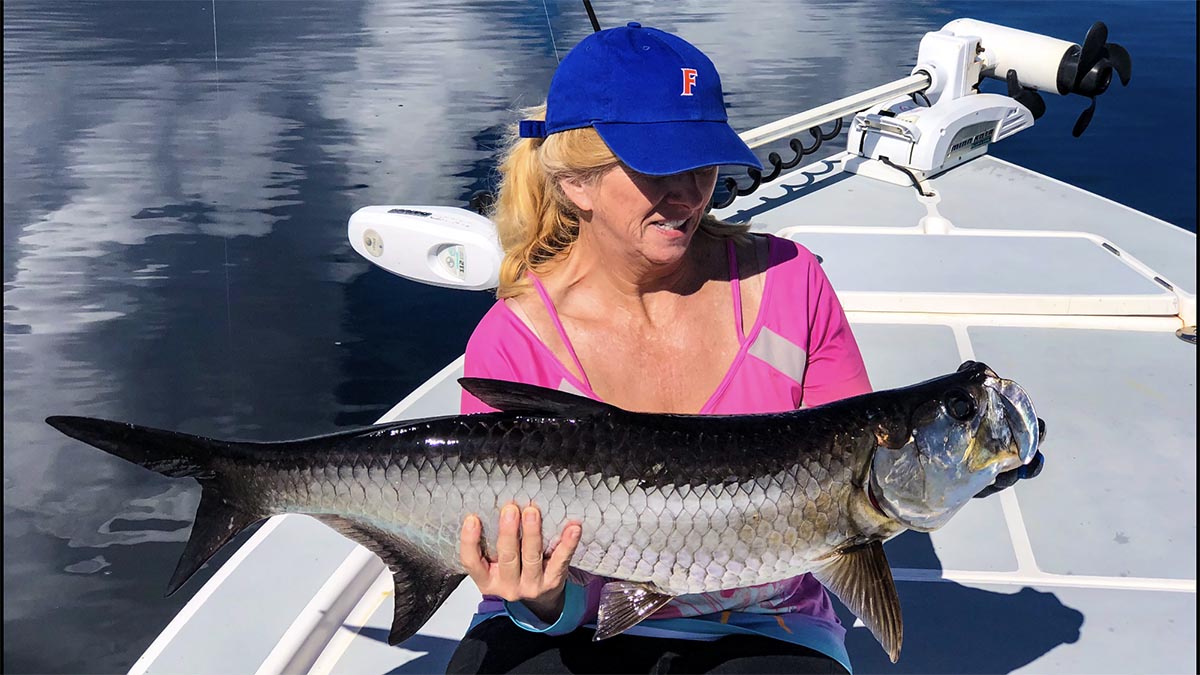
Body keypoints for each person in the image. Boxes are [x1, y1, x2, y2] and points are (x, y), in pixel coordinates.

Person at [445, 22, 1039, 674]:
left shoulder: (789, 284)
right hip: (568, 624)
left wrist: (964, 464)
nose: (690, 190)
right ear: (575, 181)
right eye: (655, 164)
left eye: (702, 159)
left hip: (768, 620)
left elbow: (861, 472)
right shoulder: (512, 340)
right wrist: (543, 597)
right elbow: (524, 577)